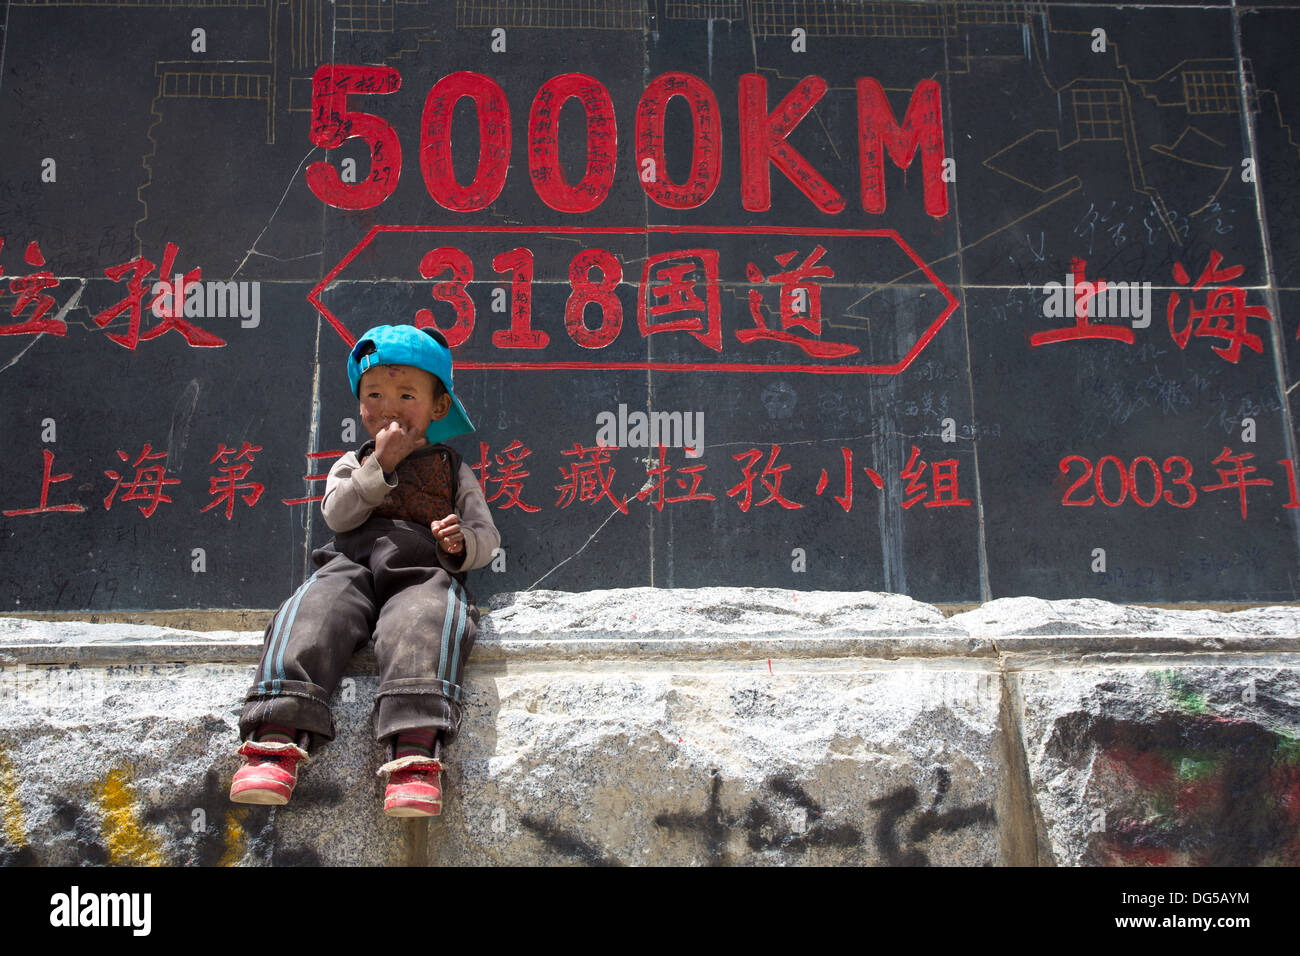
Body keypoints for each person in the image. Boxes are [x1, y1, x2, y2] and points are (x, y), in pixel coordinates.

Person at [228, 324, 499, 817]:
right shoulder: (352, 463)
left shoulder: (452, 468)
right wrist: (380, 466)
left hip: (422, 569)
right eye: (375, 394)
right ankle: (275, 732)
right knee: (312, 609)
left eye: (407, 395)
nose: (390, 407)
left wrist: (461, 543)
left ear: (438, 407)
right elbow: (338, 515)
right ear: (360, 407)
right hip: (349, 564)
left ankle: (414, 751)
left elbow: (487, 537)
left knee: (426, 621)